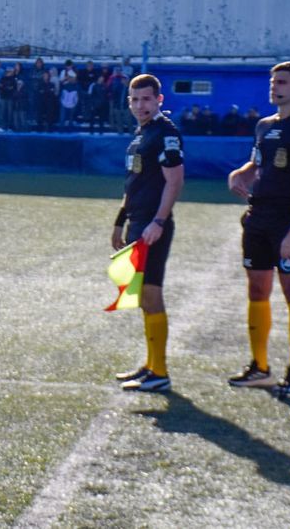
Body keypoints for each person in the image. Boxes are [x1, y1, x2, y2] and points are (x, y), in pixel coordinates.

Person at [227, 62, 290, 393]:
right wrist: (239, 172)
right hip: (258, 218)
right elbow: (258, 164)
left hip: (289, 221)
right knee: (257, 290)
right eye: (273, 82)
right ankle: (260, 367)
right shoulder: (263, 126)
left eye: (282, 82)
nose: (275, 87)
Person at [111, 74, 185, 393]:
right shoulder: (141, 135)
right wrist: (119, 221)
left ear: (159, 100)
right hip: (137, 222)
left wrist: (158, 220)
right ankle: (152, 365)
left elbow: (175, 181)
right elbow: (133, 184)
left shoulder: (165, 134)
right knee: (142, 297)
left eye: (146, 99)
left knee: (152, 296)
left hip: (152, 226)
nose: (140, 105)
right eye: (135, 99)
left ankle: (160, 371)